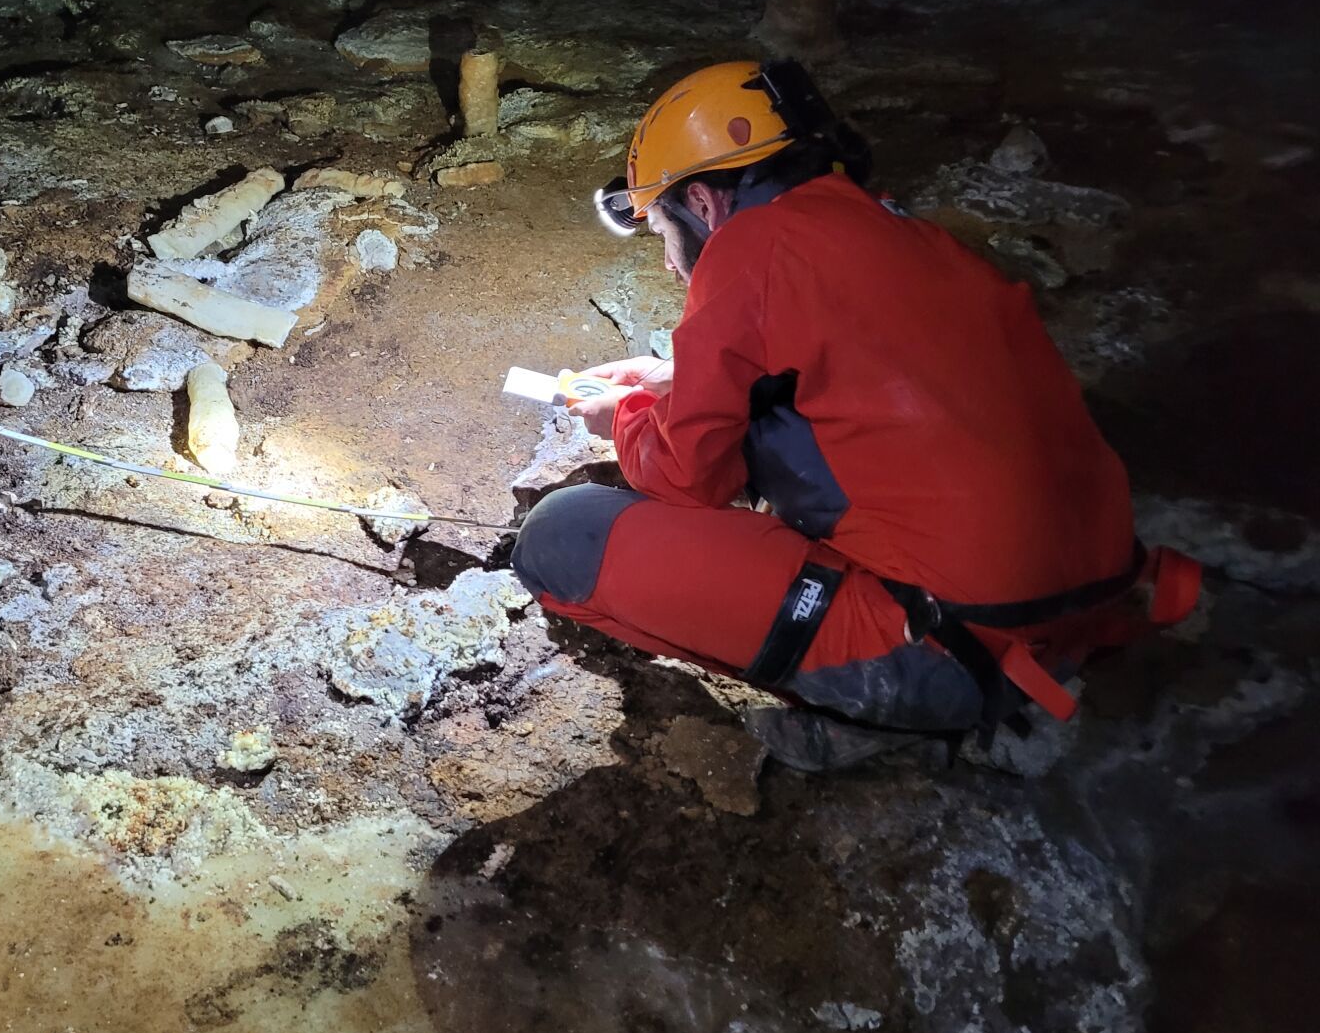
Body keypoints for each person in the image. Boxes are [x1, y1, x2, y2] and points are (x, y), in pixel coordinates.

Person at [510, 60, 1199, 770]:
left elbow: (685, 480)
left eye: (661, 230)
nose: (668, 264)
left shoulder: (751, 248)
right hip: (1090, 606)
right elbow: (870, 372)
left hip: (949, 645)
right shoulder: (911, 236)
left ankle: (886, 717)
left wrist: (623, 418)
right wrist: (673, 378)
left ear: (705, 203)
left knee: (563, 536)